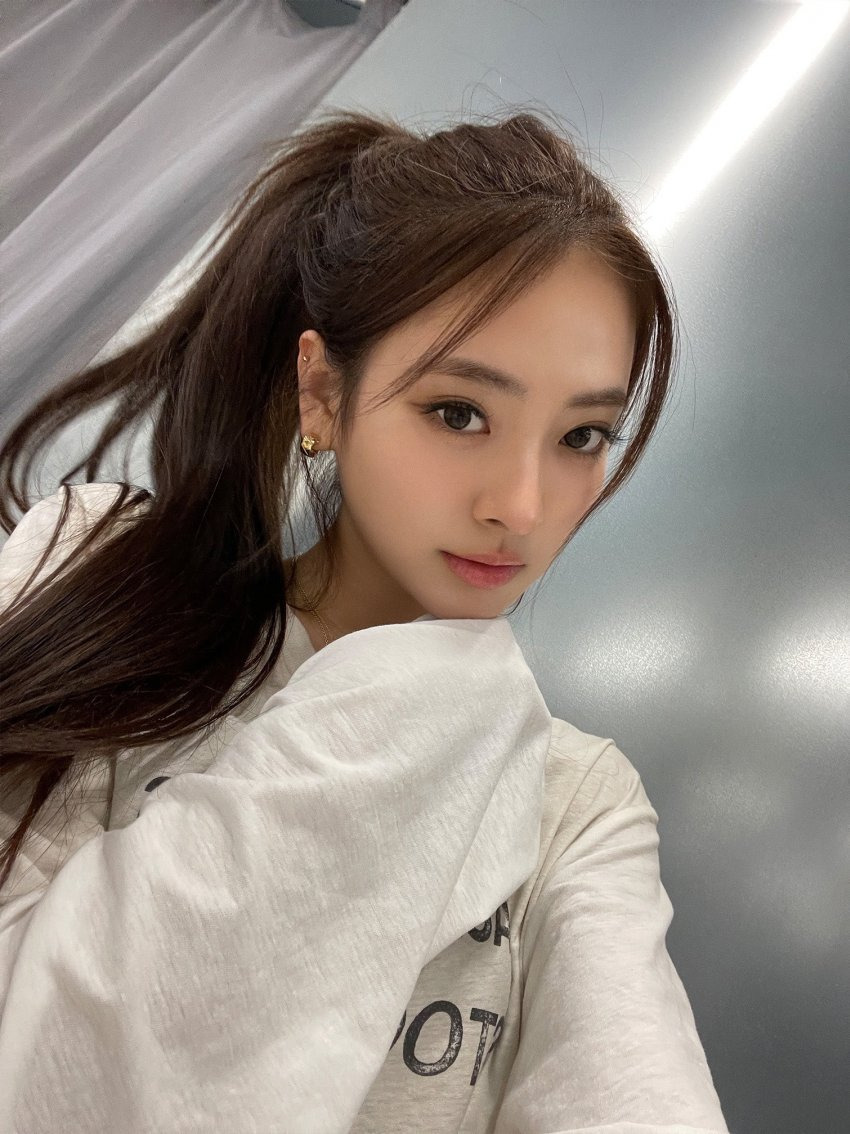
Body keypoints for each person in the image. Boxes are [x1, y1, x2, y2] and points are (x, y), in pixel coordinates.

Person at [0, 107, 729, 1132]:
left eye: (581, 436)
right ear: (321, 392)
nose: (522, 507)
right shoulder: (106, 581)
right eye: (459, 413)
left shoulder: (575, 802)